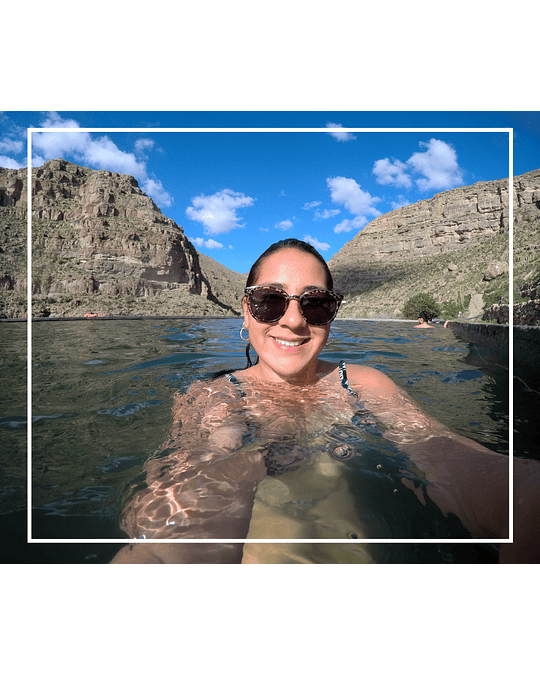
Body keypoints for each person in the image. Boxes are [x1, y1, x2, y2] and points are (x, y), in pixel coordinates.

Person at [110, 239, 539, 564]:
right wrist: (261, 457)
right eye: (270, 301)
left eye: (315, 305)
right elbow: (177, 503)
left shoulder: (363, 384)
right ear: (245, 310)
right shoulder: (215, 395)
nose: (293, 319)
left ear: (330, 315)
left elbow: (438, 449)